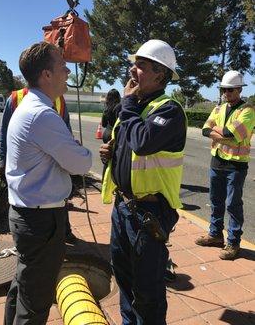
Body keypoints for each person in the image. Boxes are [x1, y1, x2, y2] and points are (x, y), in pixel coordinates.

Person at [4, 41, 92, 325]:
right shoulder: (42, 114)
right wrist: (81, 151)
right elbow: (80, 163)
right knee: (36, 304)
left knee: (23, 287)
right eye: (62, 66)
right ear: (46, 75)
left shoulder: (31, 107)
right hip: (41, 220)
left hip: (28, 214)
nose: (68, 71)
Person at [100, 39, 187, 325]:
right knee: (124, 281)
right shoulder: (135, 108)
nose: (132, 71)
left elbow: (143, 141)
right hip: (123, 208)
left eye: (140, 65)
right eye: (133, 64)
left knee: (147, 292)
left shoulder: (168, 110)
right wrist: (110, 154)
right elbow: (125, 144)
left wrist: (127, 107)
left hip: (149, 214)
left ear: (160, 74)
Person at [0, 87, 77, 244]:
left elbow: (66, 130)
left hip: (53, 162)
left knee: (60, 199)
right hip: (26, 163)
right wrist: (2, 159)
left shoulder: (59, 99)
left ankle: (64, 231)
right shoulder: (15, 98)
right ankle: (29, 237)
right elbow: (5, 131)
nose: (67, 72)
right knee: (27, 202)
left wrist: (70, 149)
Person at [195, 70, 255, 260]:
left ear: (239, 89)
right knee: (215, 201)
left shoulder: (248, 111)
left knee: (233, 204)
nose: (226, 93)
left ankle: (233, 242)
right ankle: (215, 235)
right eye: (224, 89)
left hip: (236, 166)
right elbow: (205, 129)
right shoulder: (219, 108)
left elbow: (230, 134)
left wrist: (220, 134)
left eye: (230, 90)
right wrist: (222, 135)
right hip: (217, 161)